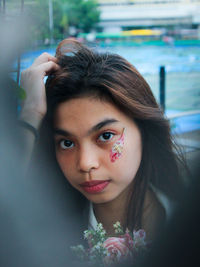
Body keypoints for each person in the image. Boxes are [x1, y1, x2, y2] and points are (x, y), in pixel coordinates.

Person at [19, 38, 184, 241]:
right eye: (67, 143)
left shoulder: (187, 231)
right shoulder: (40, 238)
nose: (85, 164)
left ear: (144, 131)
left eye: (105, 136)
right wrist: (30, 113)